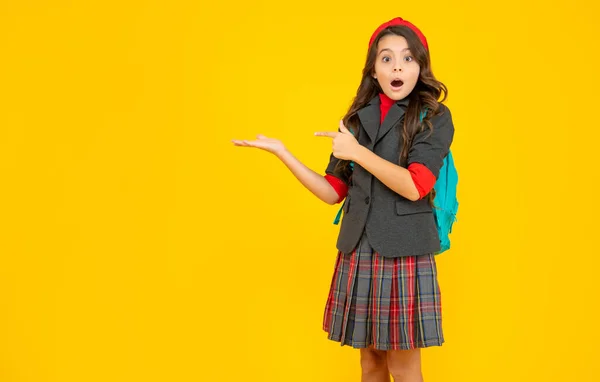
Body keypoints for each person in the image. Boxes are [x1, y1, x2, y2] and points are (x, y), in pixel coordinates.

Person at [232, 17, 455, 382]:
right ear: (374, 70)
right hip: (359, 248)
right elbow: (332, 192)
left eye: (408, 58)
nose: (397, 66)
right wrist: (283, 153)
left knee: (403, 366)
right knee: (370, 364)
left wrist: (356, 152)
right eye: (386, 58)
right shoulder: (355, 120)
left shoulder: (434, 117)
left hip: (405, 250)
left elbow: (416, 186)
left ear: (420, 66)